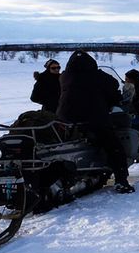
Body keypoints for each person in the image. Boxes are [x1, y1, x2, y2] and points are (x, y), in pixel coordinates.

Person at [56, 50, 133, 193]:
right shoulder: (97, 76)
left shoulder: (64, 76)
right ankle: (121, 180)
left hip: (65, 119)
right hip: (93, 118)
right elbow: (113, 87)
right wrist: (114, 98)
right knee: (114, 147)